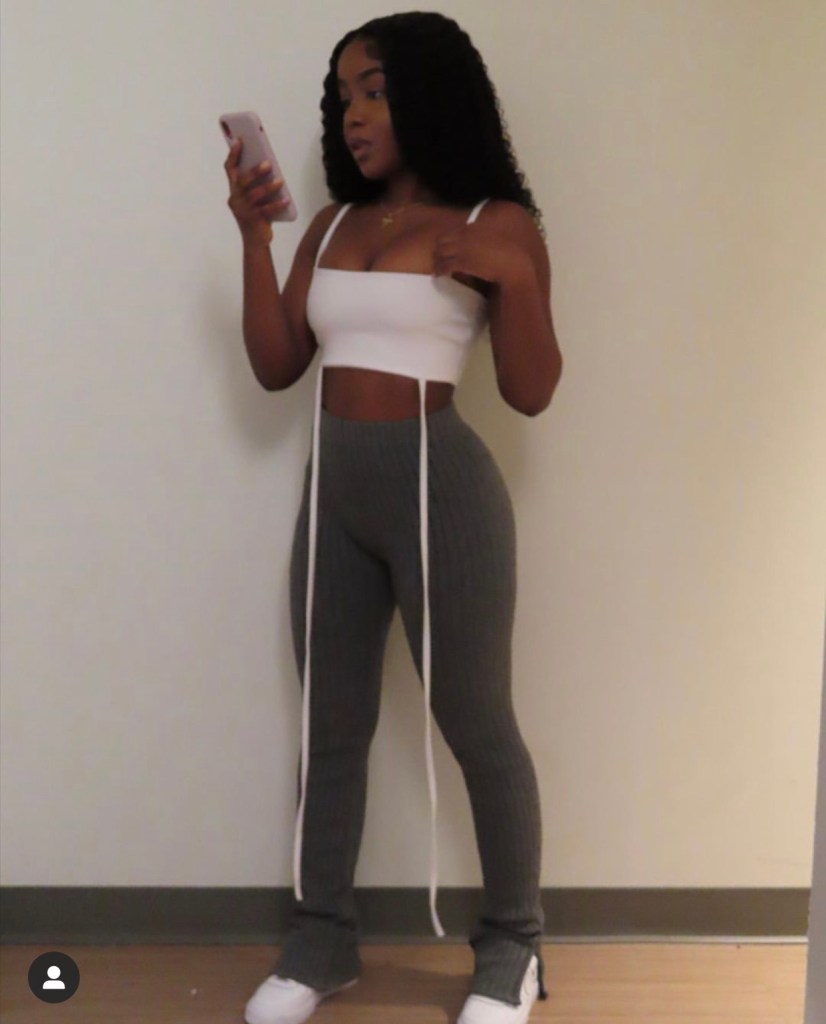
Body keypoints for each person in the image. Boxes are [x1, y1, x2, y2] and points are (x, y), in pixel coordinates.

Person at [226, 12, 562, 1024]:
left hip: (441, 492)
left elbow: (533, 391)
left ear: (429, 94)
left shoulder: (497, 222)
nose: (353, 114)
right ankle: (321, 941)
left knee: (478, 724)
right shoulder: (331, 225)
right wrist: (256, 239)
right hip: (335, 492)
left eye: (373, 91)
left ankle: (514, 948)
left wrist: (514, 275)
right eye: (344, 97)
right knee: (330, 725)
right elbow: (277, 365)